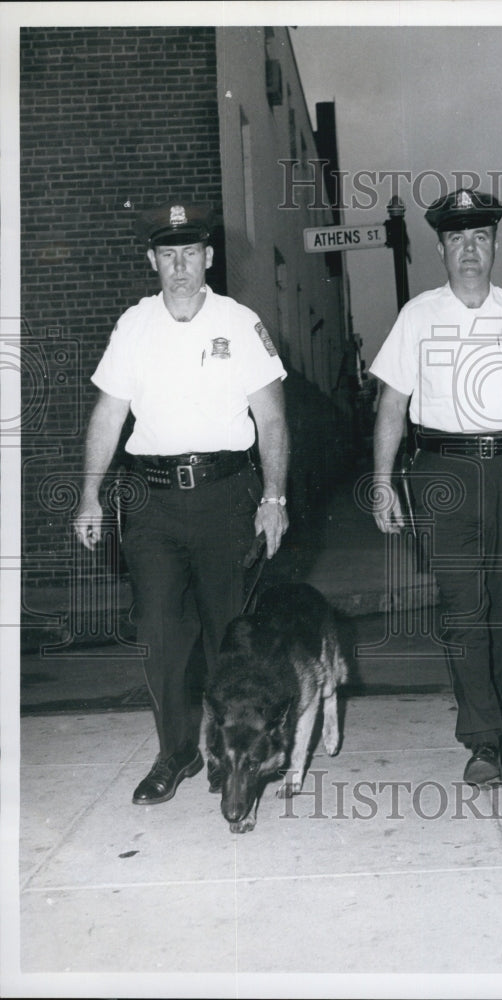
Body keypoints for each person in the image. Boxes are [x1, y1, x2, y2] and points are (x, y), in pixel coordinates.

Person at [73, 200, 290, 805]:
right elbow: (108, 414)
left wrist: (273, 496)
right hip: (151, 500)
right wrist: (90, 493)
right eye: (167, 255)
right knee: (161, 632)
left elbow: (271, 418)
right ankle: (176, 754)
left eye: (190, 253)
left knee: (231, 633)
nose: (180, 267)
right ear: (152, 261)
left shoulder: (240, 322)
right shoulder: (134, 326)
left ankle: (233, 752)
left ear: (209, 257)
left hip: (226, 495)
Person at [370, 188, 502, 787]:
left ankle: (498, 716)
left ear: (494, 246)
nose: (469, 249)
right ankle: (483, 738)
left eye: (479, 237)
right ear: (440, 248)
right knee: (466, 611)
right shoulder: (418, 315)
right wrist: (383, 483)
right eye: (457, 238)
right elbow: (391, 405)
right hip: (443, 474)